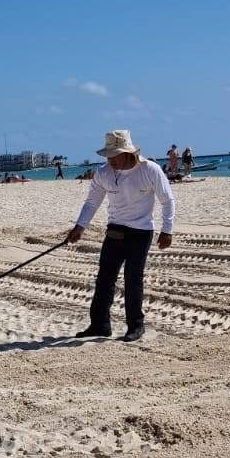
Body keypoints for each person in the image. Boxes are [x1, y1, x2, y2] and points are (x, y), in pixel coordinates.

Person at [66, 129, 176, 343]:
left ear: (127, 152)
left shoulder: (150, 170)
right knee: (104, 279)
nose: (110, 159)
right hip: (115, 230)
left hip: (141, 232)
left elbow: (168, 200)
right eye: (108, 155)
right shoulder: (103, 173)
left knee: (133, 280)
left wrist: (167, 230)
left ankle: (136, 326)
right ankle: (100, 325)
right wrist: (79, 227)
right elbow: (92, 202)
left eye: (114, 154)